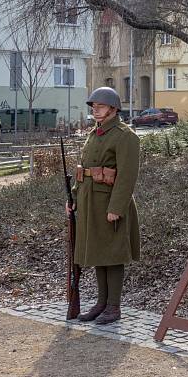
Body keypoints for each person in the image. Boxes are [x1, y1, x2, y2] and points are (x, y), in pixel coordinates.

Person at [66, 86, 141, 325]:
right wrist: (73, 199)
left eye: (100, 106)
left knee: (113, 254)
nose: (95, 110)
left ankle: (114, 306)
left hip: (110, 203)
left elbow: (127, 176)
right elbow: (84, 170)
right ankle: (101, 303)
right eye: (94, 107)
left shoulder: (124, 135)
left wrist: (116, 207)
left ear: (113, 108)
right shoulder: (94, 133)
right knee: (99, 252)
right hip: (90, 202)